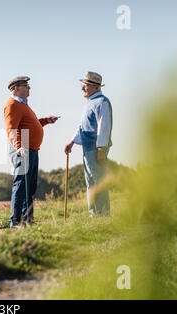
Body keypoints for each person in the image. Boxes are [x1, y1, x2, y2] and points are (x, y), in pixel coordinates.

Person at [4, 76, 60, 228]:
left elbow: (31, 124)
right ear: (16, 88)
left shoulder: (24, 105)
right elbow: (11, 129)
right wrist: (18, 146)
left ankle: (27, 220)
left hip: (31, 148)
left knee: (30, 186)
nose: (29, 88)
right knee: (21, 185)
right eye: (26, 85)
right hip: (23, 149)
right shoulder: (13, 105)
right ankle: (15, 222)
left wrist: (46, 120)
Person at [64, 71, 113, 217]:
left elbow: (103, 127)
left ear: (96, 87)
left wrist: (101, 149)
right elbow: (82, 126)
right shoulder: (90, 103)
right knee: (91, 182)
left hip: (96, 148)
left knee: (98, 181)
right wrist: (72, 142)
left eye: (85, 85)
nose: (82, 88)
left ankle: (103, 215)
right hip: (87, 148)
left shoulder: (102, 102)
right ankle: (94, 214)